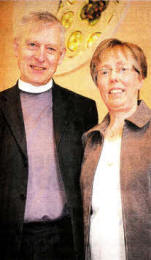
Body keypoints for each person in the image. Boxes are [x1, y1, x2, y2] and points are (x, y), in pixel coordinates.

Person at [0, 11, 98, 260]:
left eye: (51, 48)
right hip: (10, 242)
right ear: (16, 47)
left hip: (66, 242)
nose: (40, 57)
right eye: (32, 44)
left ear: (61, 55)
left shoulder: (83, 109)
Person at [80, 38, 151, 260]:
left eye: (122, 69)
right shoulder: (90, 140)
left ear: (140, 78)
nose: (114, 78)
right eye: (104, 72)